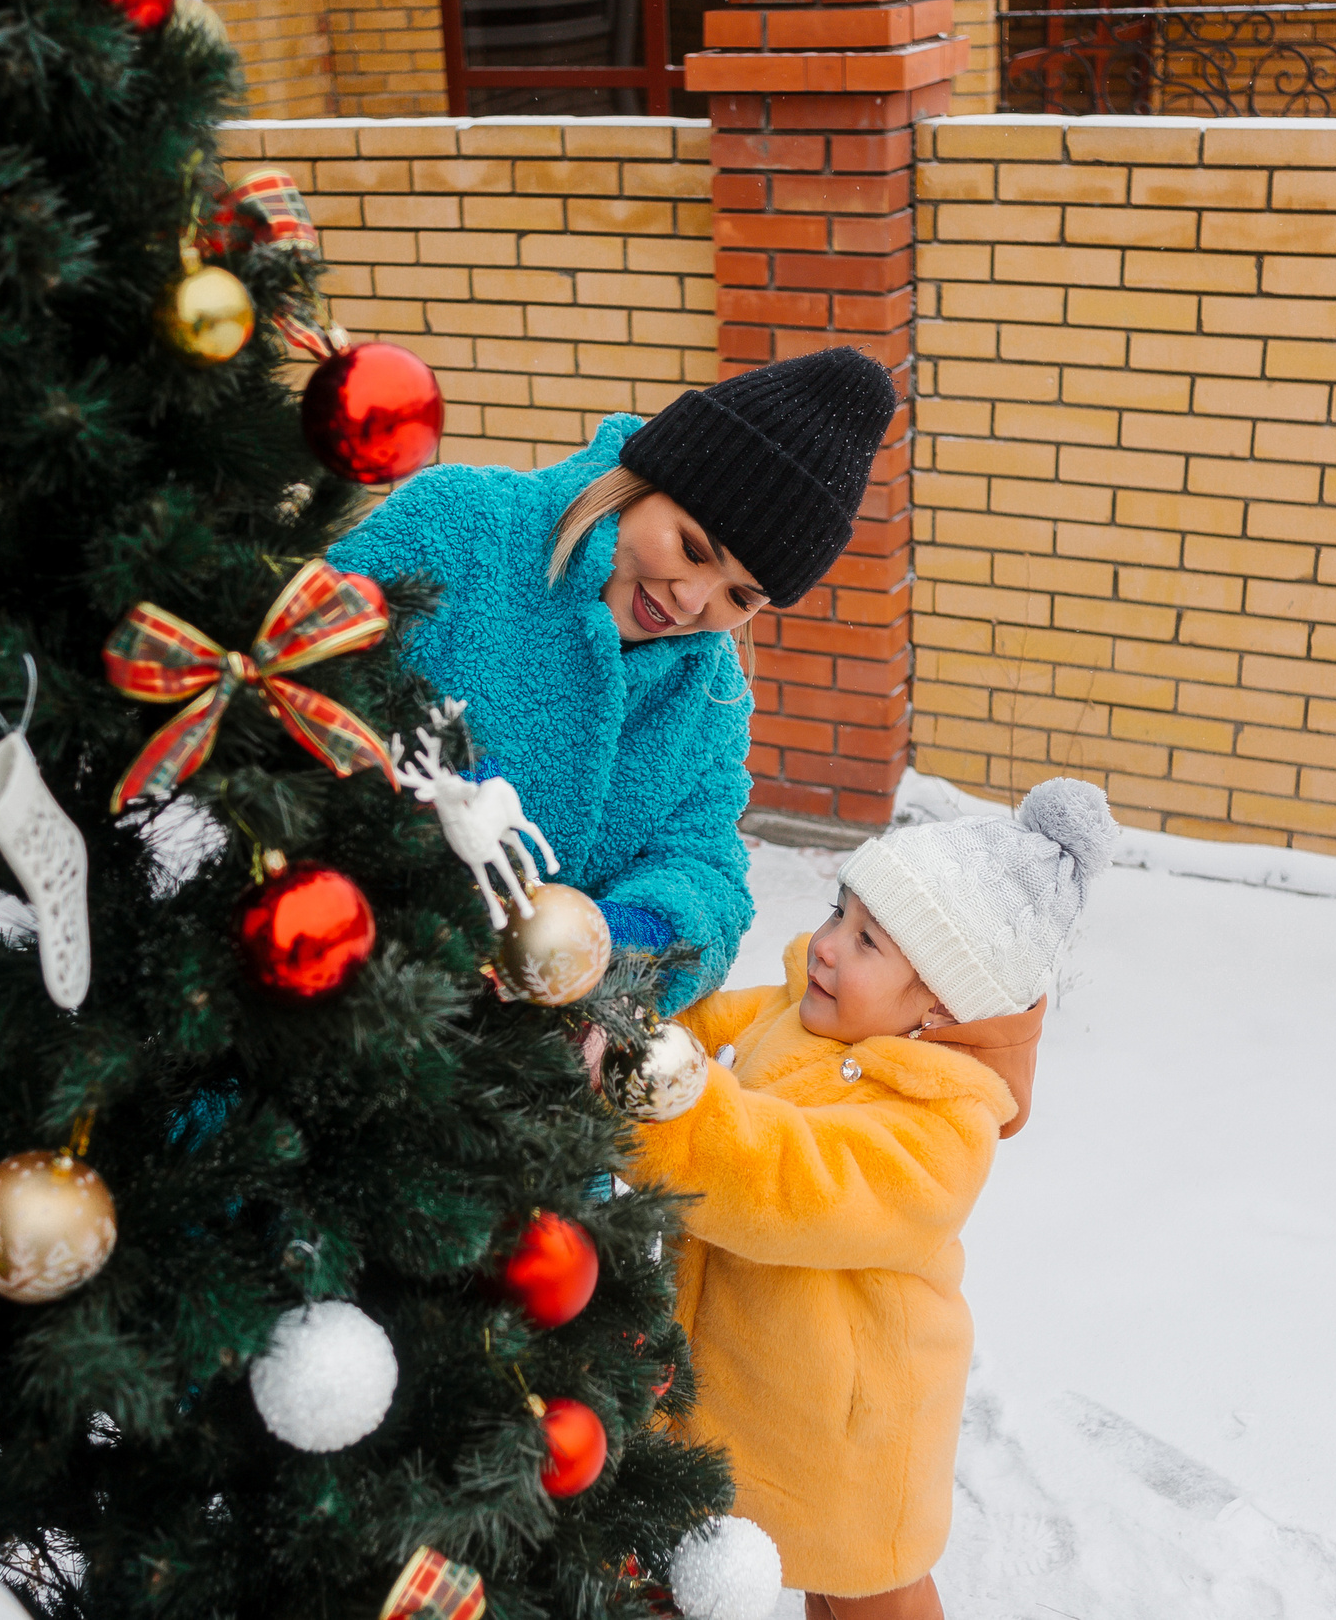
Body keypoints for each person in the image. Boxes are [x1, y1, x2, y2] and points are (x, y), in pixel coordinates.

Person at [610, 779, 1118, 1620]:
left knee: (863, 1583)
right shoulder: (800, 1013)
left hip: (856, 1429)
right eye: (838, 910)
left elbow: (794, 1181)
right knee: (700, 1541)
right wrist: (629, 1030)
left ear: (938, 1007)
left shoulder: (942, 1130)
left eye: (868, 940)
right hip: (735, 1379)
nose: (825, 945)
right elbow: (700, 1024)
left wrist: (676, 1111)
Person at [332, 347, 896, 1009]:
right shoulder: (458, 526)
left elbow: (705, 871)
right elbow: (306, 654)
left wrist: (612, 943)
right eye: (691, 548)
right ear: (646, 479)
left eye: (740, 598)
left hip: (505, 1063)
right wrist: (440, 783)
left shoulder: (709, 699)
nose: (692, 602)